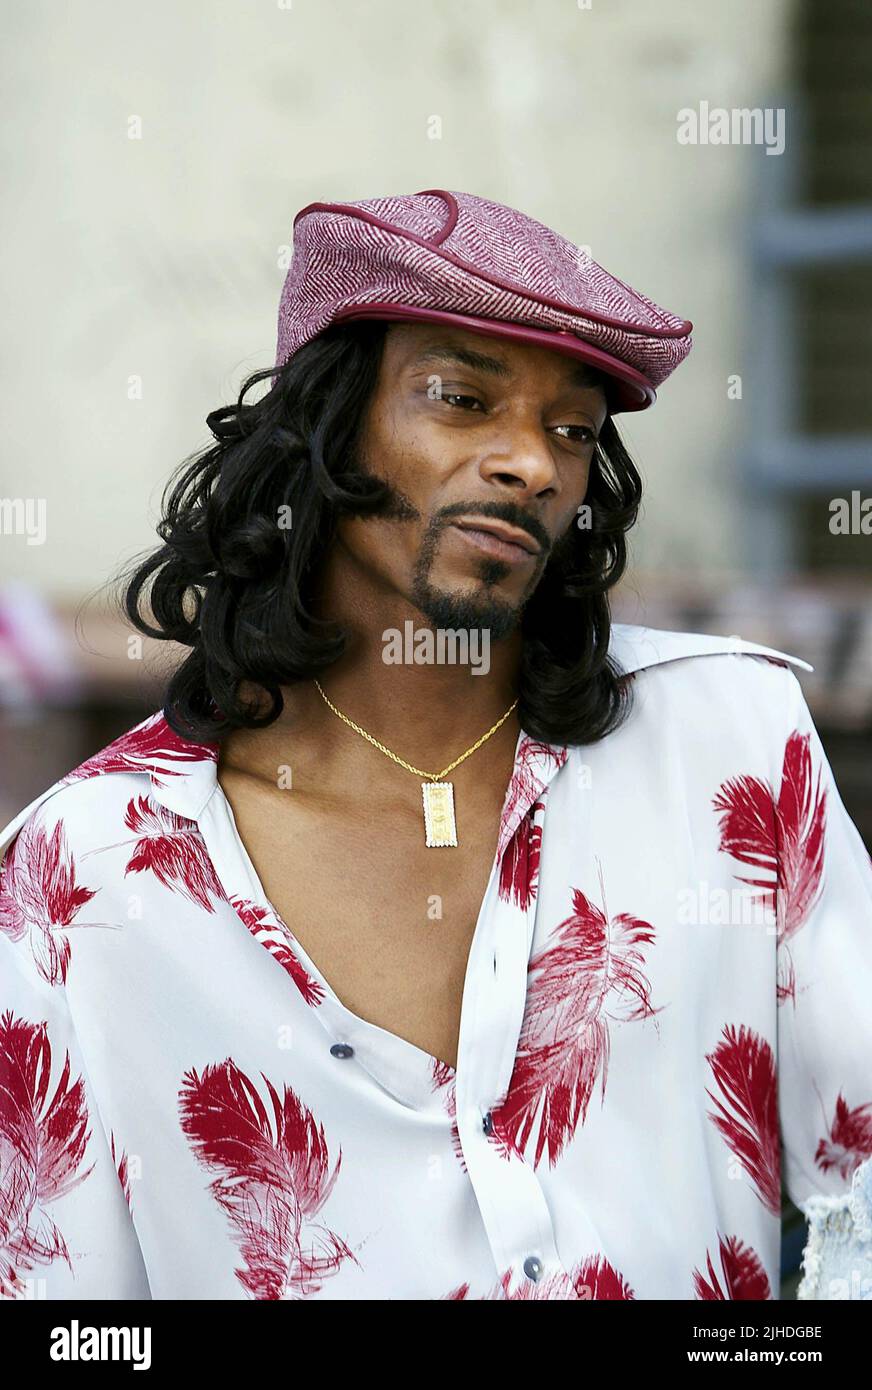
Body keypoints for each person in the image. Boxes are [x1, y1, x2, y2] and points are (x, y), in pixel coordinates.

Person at [1, 189, 870, 1302]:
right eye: (461, 399)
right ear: (326, 424)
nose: (531, 465)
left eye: (571, 428)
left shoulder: (725, 743)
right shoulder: (85, 871)